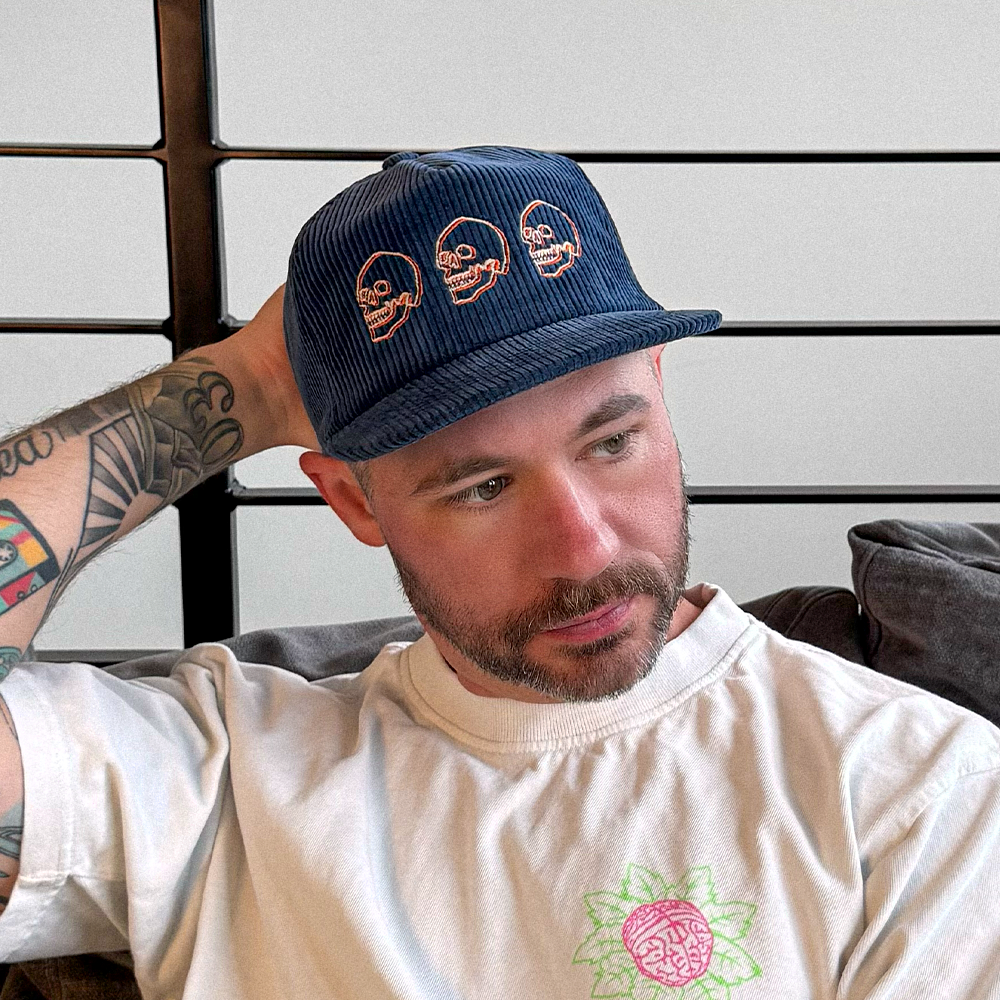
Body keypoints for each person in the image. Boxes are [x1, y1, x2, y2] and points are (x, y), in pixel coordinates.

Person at [0, 146, 997, 1000]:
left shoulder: (916, 788)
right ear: (352, 500)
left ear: (657, 387)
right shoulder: (215, 780)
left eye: (611, 442)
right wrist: (244, 383)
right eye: (482, 486)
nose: (587, 550)